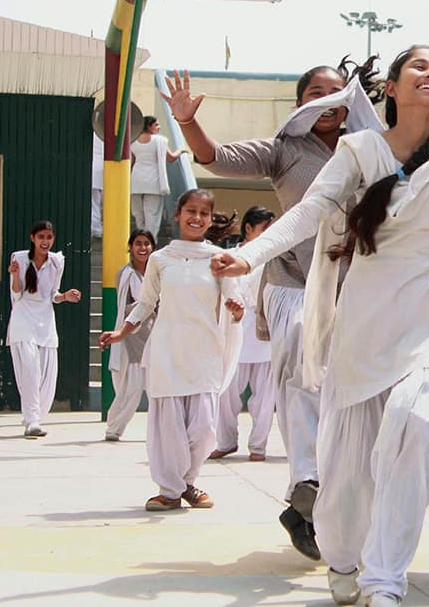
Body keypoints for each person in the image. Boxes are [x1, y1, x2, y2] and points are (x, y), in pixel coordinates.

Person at [211, 44, 429, 607]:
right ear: (390, 89)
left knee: (418, 423)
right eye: (420, 68)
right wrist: (253, 255)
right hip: (365, 319)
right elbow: (311, 211)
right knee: (348, 467)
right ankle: (344, 555)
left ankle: (385, 576)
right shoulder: (358, 149)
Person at [161, 60, 382, 560]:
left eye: (335, 93)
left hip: (353, 290)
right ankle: (305, 479)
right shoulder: (283, 150)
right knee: (301, 374)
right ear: (301, 103)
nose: (326, 100)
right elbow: (214, 157)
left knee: (347, 396)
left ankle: (311, 507)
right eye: (315, 93)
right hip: (292, 282)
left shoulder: (370, 147)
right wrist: (188, 121)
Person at [99, 190, 244, 512]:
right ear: (176, 215)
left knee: (205, 428)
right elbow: (147, 302)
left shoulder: (220, 258)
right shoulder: (160, 258)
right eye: (190, 211)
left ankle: (188, 481)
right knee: (169, 428)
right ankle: (171, 490)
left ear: (210, 218)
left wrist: (236, 310)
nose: (197, 218)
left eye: (204, 213)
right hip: (166, 350)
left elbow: (236, 301)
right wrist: (122, 331)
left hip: (205, 351)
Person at [210, 206, 277, 462]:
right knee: (226, 391)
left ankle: (258, 446)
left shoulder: (275, 258)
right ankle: (226, 441)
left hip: (264, 332)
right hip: (235, 329)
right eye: (264, 229)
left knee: (264, 397)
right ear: (248, 228)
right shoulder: (228, 256)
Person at [6, 221, 82, 437]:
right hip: (23, 319)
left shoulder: (57, 262)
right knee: (29, 368)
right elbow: (17, 293)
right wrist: (13, 275)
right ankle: (32, 420)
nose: (45, 242)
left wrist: (65, 296)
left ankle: (34, 415)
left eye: (49, 237)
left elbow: (53, 295)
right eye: (41, 237)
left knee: (44, 375)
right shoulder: (19, 258)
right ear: (33, 238)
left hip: (45, 322)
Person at [104, 229, 157, 442]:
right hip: (133, 335)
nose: (142, 248)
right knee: (132, 387)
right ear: (131, 247)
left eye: (146, 243)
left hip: (156, 334)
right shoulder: (125, 274)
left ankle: (161, 431)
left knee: (157, 388)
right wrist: (147, 306)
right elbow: (125, 308)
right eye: (138, 243)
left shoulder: (158, 272)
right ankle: (114, 427)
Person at [130, 116, 189, 237]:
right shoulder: (159, 140)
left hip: (136, 181)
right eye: (156, 125)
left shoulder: (133, 140)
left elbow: (133, 161)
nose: (159, 127)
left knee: (139, 216)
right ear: (148, 126)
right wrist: (181, 150)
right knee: (152, 216)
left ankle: (141, 240)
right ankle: (150, 242)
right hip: (153, 182)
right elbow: (171, 157)